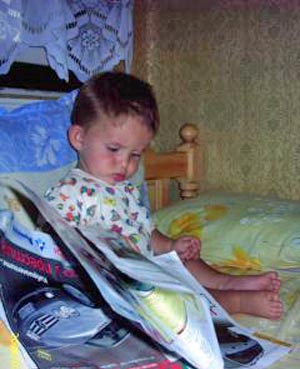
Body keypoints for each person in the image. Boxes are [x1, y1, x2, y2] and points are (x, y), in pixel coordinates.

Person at [45, 71, 282, 320]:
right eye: (114, 149)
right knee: (176, 298)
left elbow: (145, 231)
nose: (125, 164)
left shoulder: (125, 189)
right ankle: (234, 300)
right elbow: (54, 249)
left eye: (135, 154)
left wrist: (170, 246)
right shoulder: (68, 194)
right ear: (79, 138)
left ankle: (227, 282)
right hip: (125, 283)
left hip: (149, 265)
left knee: (187, 262)